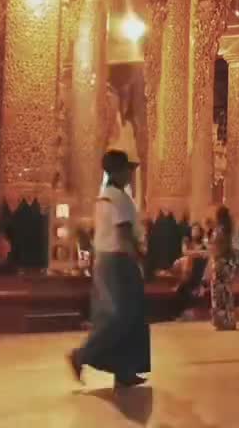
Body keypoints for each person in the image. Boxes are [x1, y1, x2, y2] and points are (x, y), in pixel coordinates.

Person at [67, 150, 150, 388]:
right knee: (121, 316)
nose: (130, 175)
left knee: (124, 315)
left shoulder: (104, 196)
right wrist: (139, 259)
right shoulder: (119, 198)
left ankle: (124, 370)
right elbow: (124, 233)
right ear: (118, 171)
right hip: (118, 260)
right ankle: (81, 355)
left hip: (104, 259)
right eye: (127, 170)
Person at [208, 206, 239, 331]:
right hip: (228, 263)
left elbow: (214, 248)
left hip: (219, 263)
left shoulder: (218, 231)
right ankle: (229, 321)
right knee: (227, 293)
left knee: (218, 294)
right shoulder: (230, 230)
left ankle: (221, 321)